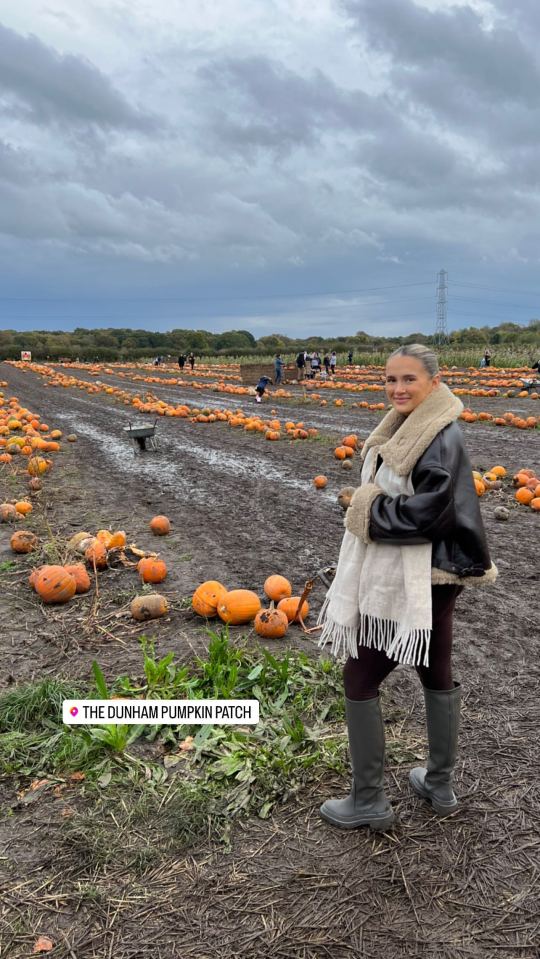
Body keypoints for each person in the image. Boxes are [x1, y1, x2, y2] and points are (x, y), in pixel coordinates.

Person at [318, 343, 497, 832]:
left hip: (419, 574)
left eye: (408, 380)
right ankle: (439, 784)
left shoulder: (435, 436)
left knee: (360, 677)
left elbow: (429, 514)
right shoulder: (419, 425)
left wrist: (365, 507)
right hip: (439, 574)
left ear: (433, 383)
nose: (397, 388)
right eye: (390, 380)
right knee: (434, 667)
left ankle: (369, 800)